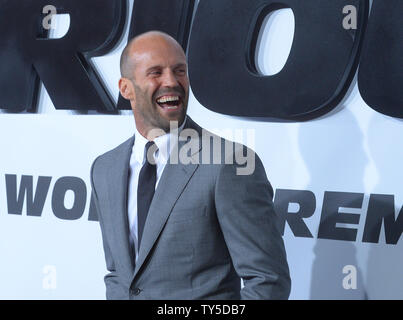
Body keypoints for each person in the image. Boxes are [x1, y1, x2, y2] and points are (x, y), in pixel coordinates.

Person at [90, 31, 291, 300]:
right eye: (156, 73)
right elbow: (118, 273)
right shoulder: (105, 169)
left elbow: (268, 281)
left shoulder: (229, 163)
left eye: (179, 71)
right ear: (126, 88)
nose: (172, 82)